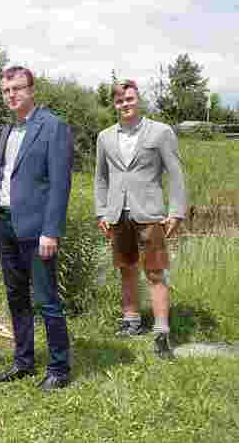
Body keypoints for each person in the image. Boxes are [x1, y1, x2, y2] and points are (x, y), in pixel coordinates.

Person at [0, 66, 74, 391]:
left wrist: (51, 231)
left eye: (17, 88)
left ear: (31, 89)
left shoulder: (53, 127)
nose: (11, 95)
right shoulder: (7, 131)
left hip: (38, 229)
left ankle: (59, 368)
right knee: (16, 297)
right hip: (5, 224)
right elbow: (2, 180)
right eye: (6, 90)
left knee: (46, 299)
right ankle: (23, 361)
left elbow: (59, 185)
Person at [94, 80, 187, 359]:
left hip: (150, 213)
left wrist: (176, 212)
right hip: (117, 214)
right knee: (126, 268)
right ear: (115, 104)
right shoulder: (105, 137)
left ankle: (161, 332)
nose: (125, 104)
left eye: (130, 99)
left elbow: (176, 174)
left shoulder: (160, 132)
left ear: (138, 99)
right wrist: (101, 211)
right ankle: (131, 320)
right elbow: (100, 178)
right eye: (120, 101)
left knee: (156, 272)